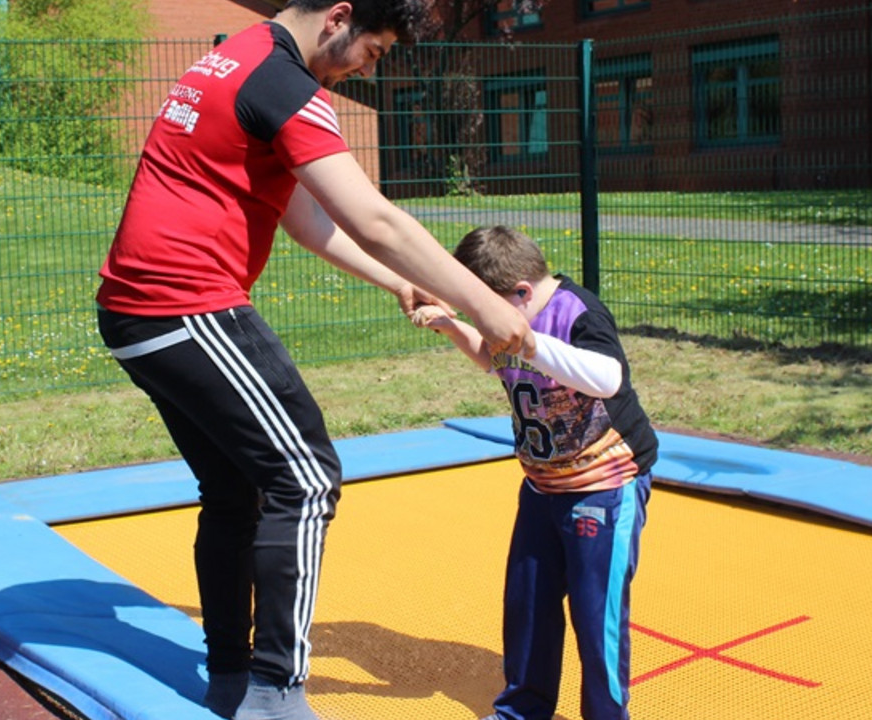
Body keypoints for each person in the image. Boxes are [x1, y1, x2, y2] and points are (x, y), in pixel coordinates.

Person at [95, 2, 535, 718]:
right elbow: (377, 218)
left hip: (136, 311)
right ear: (339, 16)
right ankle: (275, 694)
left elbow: (305, 215)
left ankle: (232, 676)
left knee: (240, 488)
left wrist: (400, 281)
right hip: (183, 304)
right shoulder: (283, 84)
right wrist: (486, 306)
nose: (372, 66)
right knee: (305, 478)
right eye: (376, 49)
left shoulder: (239, 55)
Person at [411, 226, 658, 720]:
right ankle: (523, 709)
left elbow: (608, 377)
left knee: (595, 616)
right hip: (542, 485)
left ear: (521, 293)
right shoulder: (510, 321)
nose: (483, 322)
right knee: (528, 603)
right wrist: (453, 326)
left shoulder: (577, 312)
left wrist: (530, 344)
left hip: (602, 486)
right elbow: (492, 356)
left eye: (485, 310)